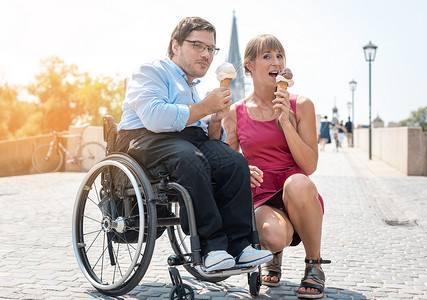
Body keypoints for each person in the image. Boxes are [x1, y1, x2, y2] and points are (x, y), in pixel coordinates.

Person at [114, 17, 272, 272]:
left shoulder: (194, 89)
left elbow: (204, 135)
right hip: (145, 139)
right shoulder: (151, 71)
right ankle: (212, 247)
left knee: (234, 162)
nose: (207, 54)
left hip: (184, 142)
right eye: (198, 45)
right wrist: (203, 108)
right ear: (176, 46)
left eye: (211, 49)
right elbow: (155, 118)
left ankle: (240, 246)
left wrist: (214, 122)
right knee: (190, 158)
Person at [223, 34, 330, 299]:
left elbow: (309, 165)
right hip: (261, 195)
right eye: (267, 56)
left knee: (297, 182)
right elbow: (224, 161)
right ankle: (275, 253)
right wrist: (241, 169)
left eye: (279, 56)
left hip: (297, 190)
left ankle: (314, 265)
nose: (276, 62)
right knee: (273, 237)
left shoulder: (301, 105)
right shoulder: (235, 113)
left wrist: (286, 123)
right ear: (249, 65)